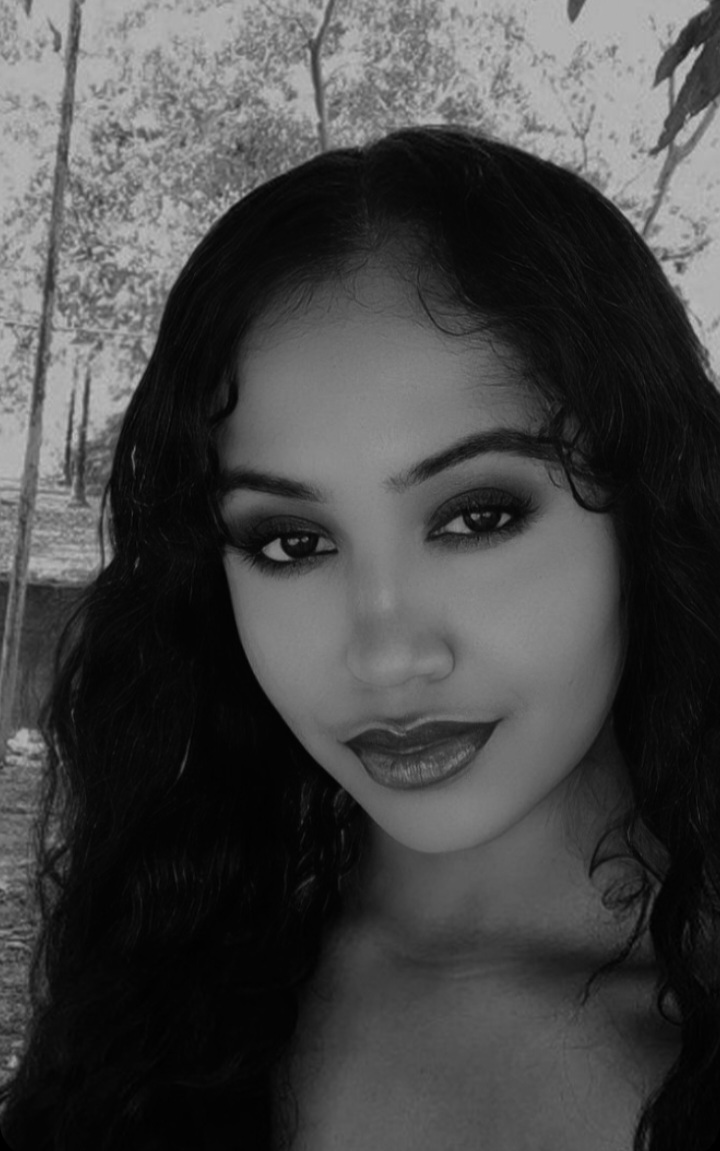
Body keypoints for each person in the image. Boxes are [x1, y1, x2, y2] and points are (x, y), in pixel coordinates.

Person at [0, 123, 718, 1151]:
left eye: (477, 515)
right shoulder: (158, 980)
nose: (384, 654)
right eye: (292, 541)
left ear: (648, 511)